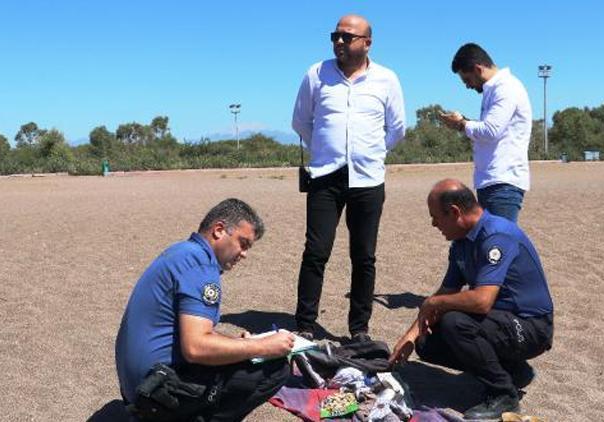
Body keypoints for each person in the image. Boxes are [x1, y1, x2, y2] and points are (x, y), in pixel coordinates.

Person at [115, 198, 295, 421]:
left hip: (137, 387)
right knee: (276, 368)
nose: (244, 254)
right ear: (219, 230)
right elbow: (196, 347)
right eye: (243, 243)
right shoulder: (201, 266)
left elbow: (190, 332)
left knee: (245, 354)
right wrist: (260, 347)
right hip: (155, 394)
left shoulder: (182, 252)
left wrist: (240, 344)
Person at [390, 179, 553, 420]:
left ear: (455, 212)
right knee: (428, 341)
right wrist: (410, 337)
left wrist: (434, 304)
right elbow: (446, 291)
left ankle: (504, 394)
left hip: (531, 327)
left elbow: (481, 301)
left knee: (454, 322)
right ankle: (513, 370)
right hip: (501, 322)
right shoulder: (461, 243)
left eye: (435, 217)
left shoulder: (497, 235)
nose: (434, 224)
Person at [291, 14, 406, 342]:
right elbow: (301, 122)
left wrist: (370, 153)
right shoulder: (316, 74)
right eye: (335, 36)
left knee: (364, 255)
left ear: (367, 43)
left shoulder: (386, 79)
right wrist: (327, 152)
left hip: (368, 179)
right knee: (315, 251)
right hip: (325, 177)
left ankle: (359, 329)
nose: (339, 41)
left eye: (347, 36)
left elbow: (397, 129)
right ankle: (305, 323)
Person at [439, 43, 533, 223]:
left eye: (467, 80)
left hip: (503, 183)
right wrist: (465, 122)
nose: (468, 86)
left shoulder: (506, 88)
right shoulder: (495, 90)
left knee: (498, 245)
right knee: (491, 243)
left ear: (477, 69)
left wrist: (461, 125)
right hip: (492, 182)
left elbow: (491, 131)